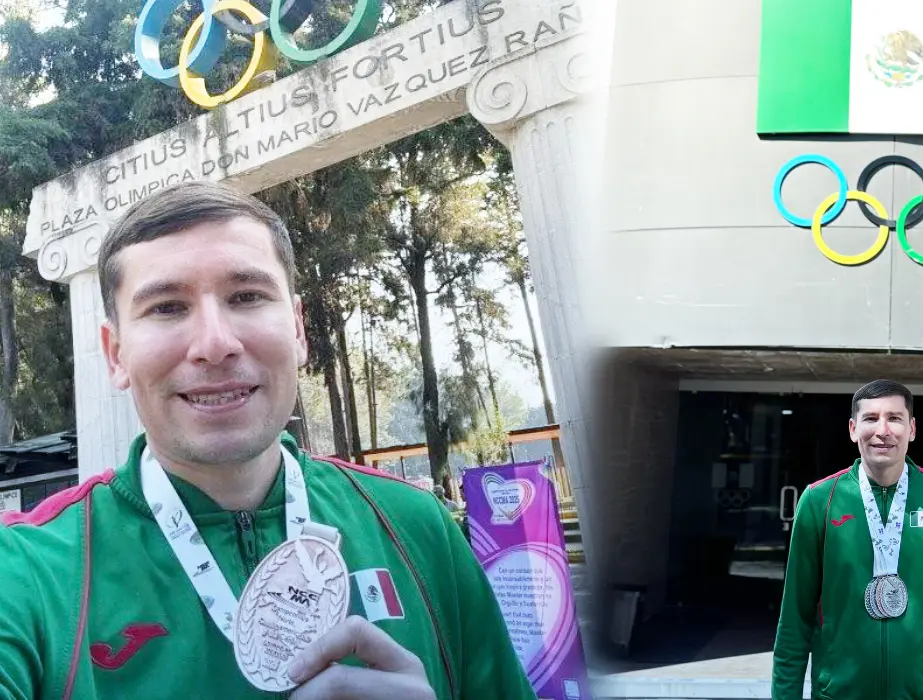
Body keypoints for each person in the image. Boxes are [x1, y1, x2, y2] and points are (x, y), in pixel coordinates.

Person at [0, 181, 537, 700]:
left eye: (247, 296)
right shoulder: (26, 570)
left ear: (298, 329)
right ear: (115, 353)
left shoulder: (417, 526)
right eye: (167, 307)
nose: (215, 344)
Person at [771, 379, 923, 699]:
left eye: (895, 418)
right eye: (871, 418)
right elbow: (795, 614)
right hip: (839, 693)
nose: (883, 430)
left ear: (912, 429)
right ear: (853, 429)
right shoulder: (820, 500)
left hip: (920, 693)